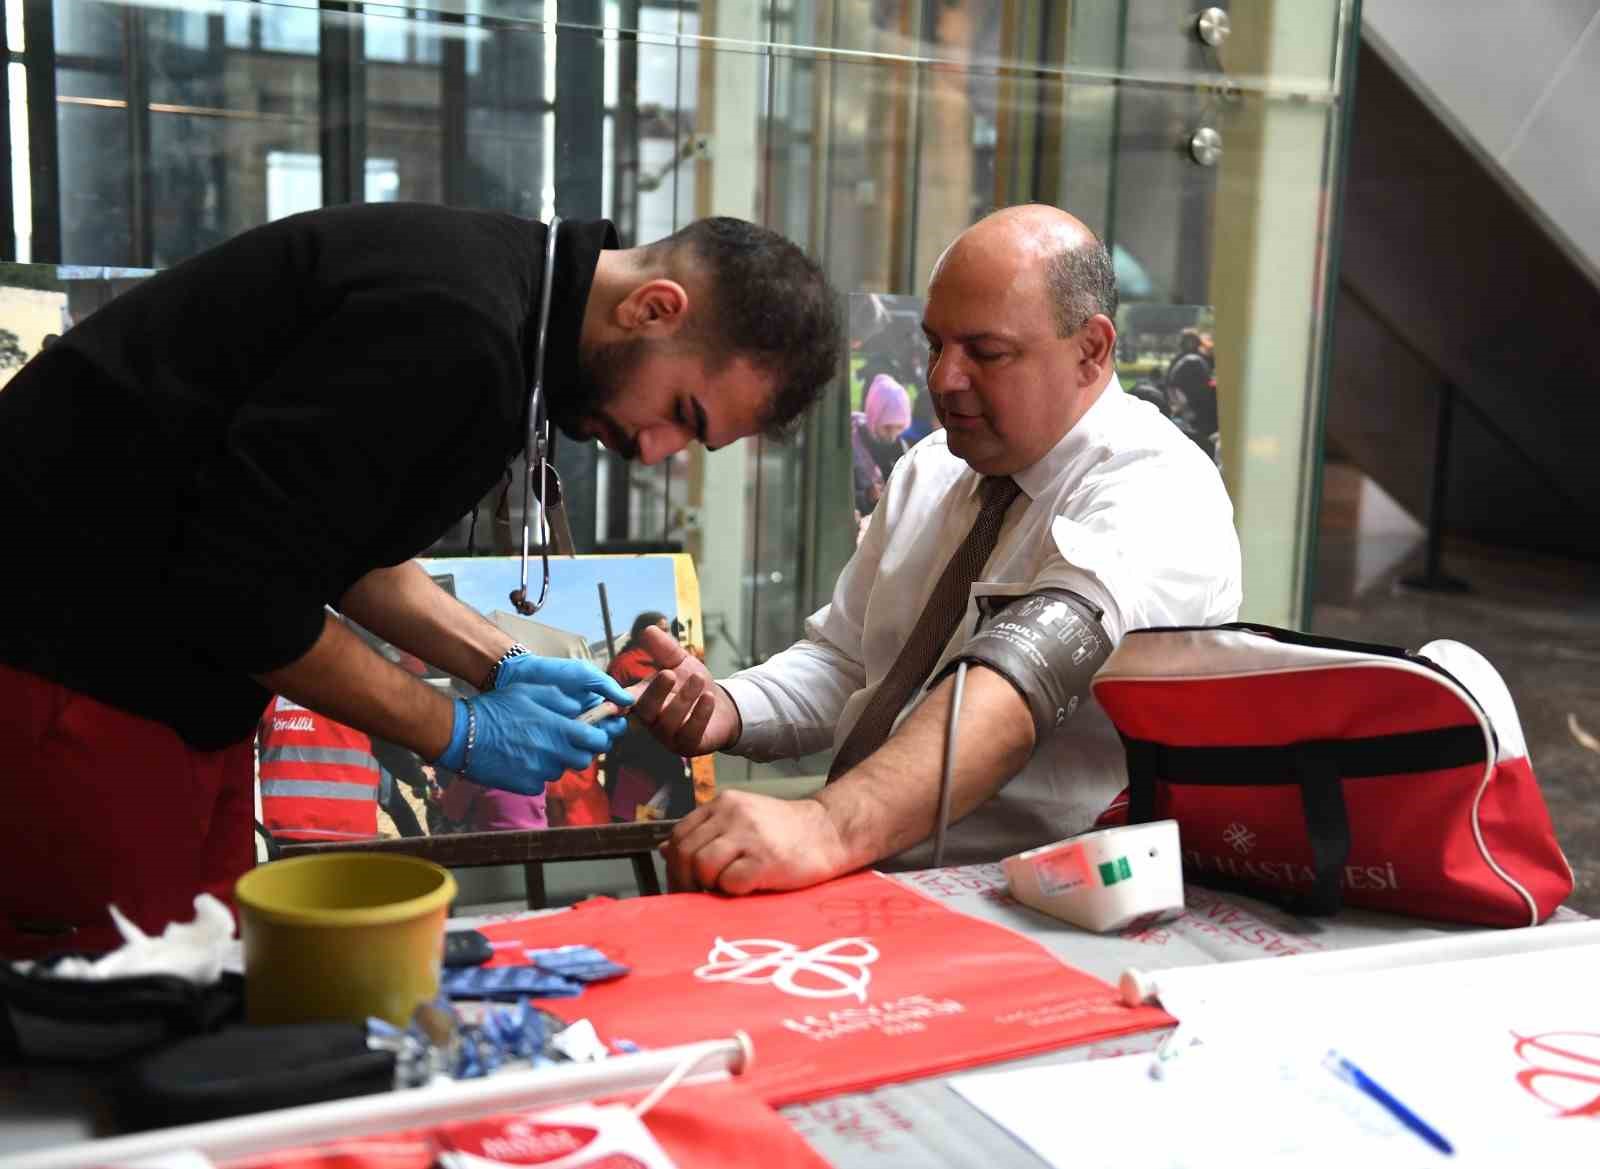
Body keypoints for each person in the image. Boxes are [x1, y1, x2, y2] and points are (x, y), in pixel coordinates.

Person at [0, 204, 841, 956]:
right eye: (682, 414)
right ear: (654, 307)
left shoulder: (505, 299)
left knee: (202, 982)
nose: (656, 450)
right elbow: (246, 590)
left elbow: (334, 545)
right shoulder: (459, 329)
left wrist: (499, 661)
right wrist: (458, 730)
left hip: (165, 688)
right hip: (65, 674)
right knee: (93, 1024)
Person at [631, 204, 1241, 896]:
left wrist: (827, 826)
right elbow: (848, 661)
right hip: (867, 880)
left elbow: (1021, 683)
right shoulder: (933, 468)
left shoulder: (1158, 488)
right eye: (934, 345)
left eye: (987, 352)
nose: (944, 379)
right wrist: (730, 706)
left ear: (1092, 349)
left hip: (1032, 905)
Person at [605, 612, 693, 822]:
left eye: (667, 630)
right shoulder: (624, 664)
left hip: (669, 747)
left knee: (672, 808)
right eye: (661, 630)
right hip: (636, 753)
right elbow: (611, 708)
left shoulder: (671, 662)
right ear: (644, 634)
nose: (666, 635)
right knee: (639, 814)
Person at [850, 374, 913, 518]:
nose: (892, 435)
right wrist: (866, 496)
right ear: (874, 417)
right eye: (887, 427)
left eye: (899, 427)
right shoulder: (853, 443)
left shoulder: (900, 446)